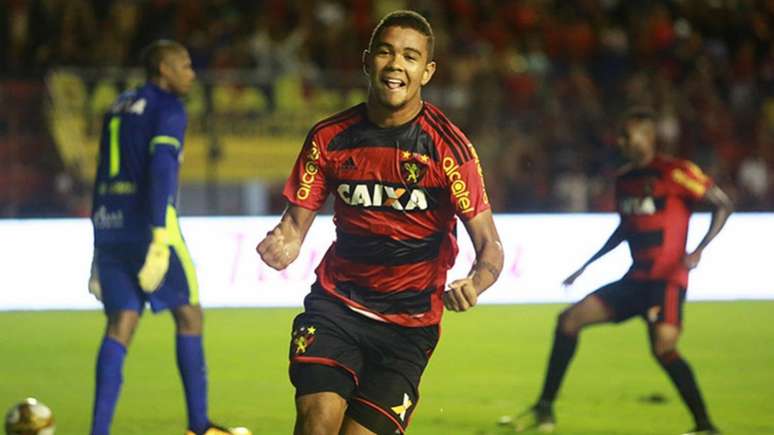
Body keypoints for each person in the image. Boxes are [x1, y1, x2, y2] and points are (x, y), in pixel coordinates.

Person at [257, 10, 503, 435]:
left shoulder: (449, 150)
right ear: (367, 59)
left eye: (410, 57)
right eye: (386, 53)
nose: (395, 65)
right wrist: (286, 240)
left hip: (409, 328)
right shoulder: (329, 138)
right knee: (318, 422)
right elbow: (294, 224)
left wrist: (475, 283)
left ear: (426, 72)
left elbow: (491, 248)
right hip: (337, 307)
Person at [512, 108, 733, 435]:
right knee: (569, 320)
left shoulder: (676, 172)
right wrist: (585, 267)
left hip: (667, 280)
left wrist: (699, 249)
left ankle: (705, 425)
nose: (620, 141)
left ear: (646, 136)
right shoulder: (625, 180)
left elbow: (722, 204)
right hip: (635, 280)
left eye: (626, 136)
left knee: (663, 347)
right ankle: (544, 407)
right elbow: (624, 229)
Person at [87, 40, 238, 435]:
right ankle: (199, 426)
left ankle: (98, 431)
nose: (191, 73)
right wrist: (158, 235)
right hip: (151, 226)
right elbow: (162, 170)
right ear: (163, 69)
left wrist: (96, 242)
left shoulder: (118, 106)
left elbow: (103, 171)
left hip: (110, 224)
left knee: (121, 321)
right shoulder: (169, 108)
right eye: (184, 65)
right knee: (189, 314)